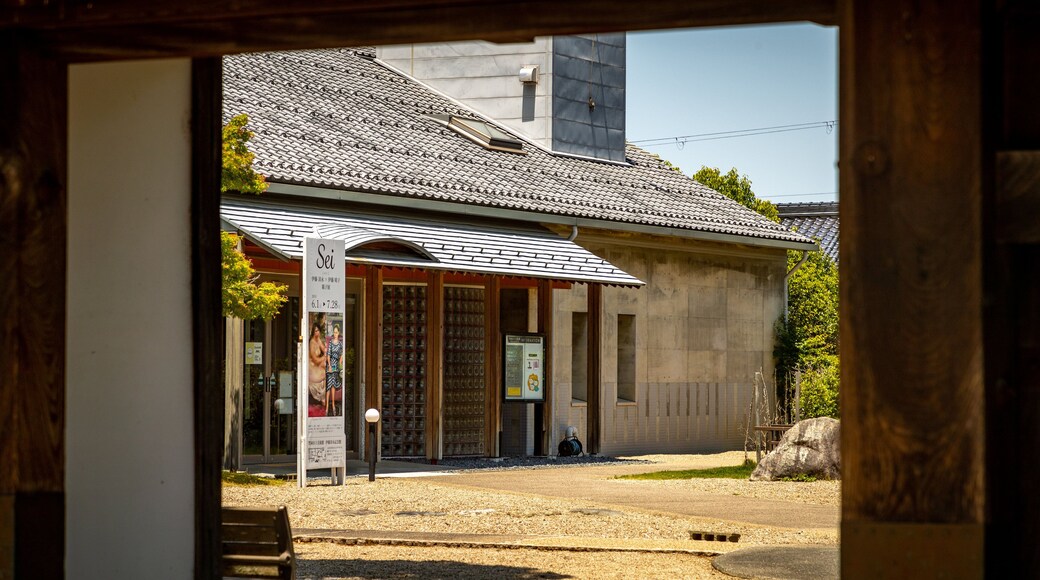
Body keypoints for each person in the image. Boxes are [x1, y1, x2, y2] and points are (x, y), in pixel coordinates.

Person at [307, 319, 327, 414]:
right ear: (312, 332)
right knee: (325, 372)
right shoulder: (312, 343)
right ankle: (323, 398)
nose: (317, 332)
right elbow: (315, 359)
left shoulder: (318, 340)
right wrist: (324, 357)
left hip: (317, 365)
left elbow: (324, 349)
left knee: (327, 367)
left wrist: (326, 351)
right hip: (312, 368)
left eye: (318, 330)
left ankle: (325, 400)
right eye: (315, 331)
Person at [325, 324, 344, 415]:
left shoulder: (340, 344)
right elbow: (328, 355)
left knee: (332, 385)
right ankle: (327, 407)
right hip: (330, 364)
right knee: (329, 385)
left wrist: (340, 362)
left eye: (336, 332)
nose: (335, 334)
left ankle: (332, 405)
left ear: (338, 333)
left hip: (336, 365)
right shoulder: (331, 343)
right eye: (334, 332)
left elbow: (342, 354)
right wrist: (329, 365)